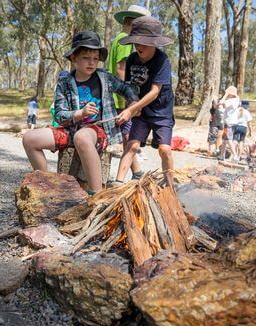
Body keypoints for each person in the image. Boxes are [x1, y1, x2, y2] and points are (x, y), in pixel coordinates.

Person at [22, 31, 139, 195]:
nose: (91, 63)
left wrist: (131, 107)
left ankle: (96, 193)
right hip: (70, 130)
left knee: (82, 137)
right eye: (86, 57)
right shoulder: (64, 83)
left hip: (97, 132)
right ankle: (49, 185)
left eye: (95, 58)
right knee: (29, 138)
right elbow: (60, 116)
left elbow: (127, 89)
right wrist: (79, 113)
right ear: (74, 58)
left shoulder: (104, 77)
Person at [114, 16, 175, 184]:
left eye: (144, 43)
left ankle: (170, 186)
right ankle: (118, 181)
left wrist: (132, 109)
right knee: (132, 145)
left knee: (164, 149)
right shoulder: (132, 59)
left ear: (155, 43)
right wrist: (132, 103)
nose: (139, 46)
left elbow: (155, 91)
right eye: (136, 42)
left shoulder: (162, 61)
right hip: (141, 112)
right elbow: (130, 87)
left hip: (161, 112)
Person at [107, 4, 151, 180]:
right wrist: (130, 97)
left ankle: (136, 171)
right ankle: (134, 173)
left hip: (115, 95)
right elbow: (121, 67)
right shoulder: (125, 39)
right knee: (128, 134)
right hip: (121, 97)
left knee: (126, 134)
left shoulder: (119, 37)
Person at [217, 86, 241, 161]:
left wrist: (226, 95)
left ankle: (235, 156)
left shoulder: (231, 101)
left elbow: (220, 103)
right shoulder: (237, 100)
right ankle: (222, 155)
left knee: (228, 140)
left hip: (229, 122)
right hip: (233, 122)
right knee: (224, 139)